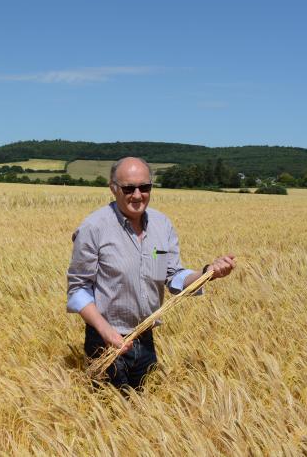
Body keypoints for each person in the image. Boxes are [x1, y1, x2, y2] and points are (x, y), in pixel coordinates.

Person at [66, 157, 236, 391]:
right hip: (105, 342)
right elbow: (78, 289)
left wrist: (208, 273)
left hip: (145, 340)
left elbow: (171, 276)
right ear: (113, 188)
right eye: (129, 188)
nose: (138, 195)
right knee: (109, 410)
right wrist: (106, 332)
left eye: (144, 187)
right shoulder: (94, 228)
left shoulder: (161, 225)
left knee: (142, 408)